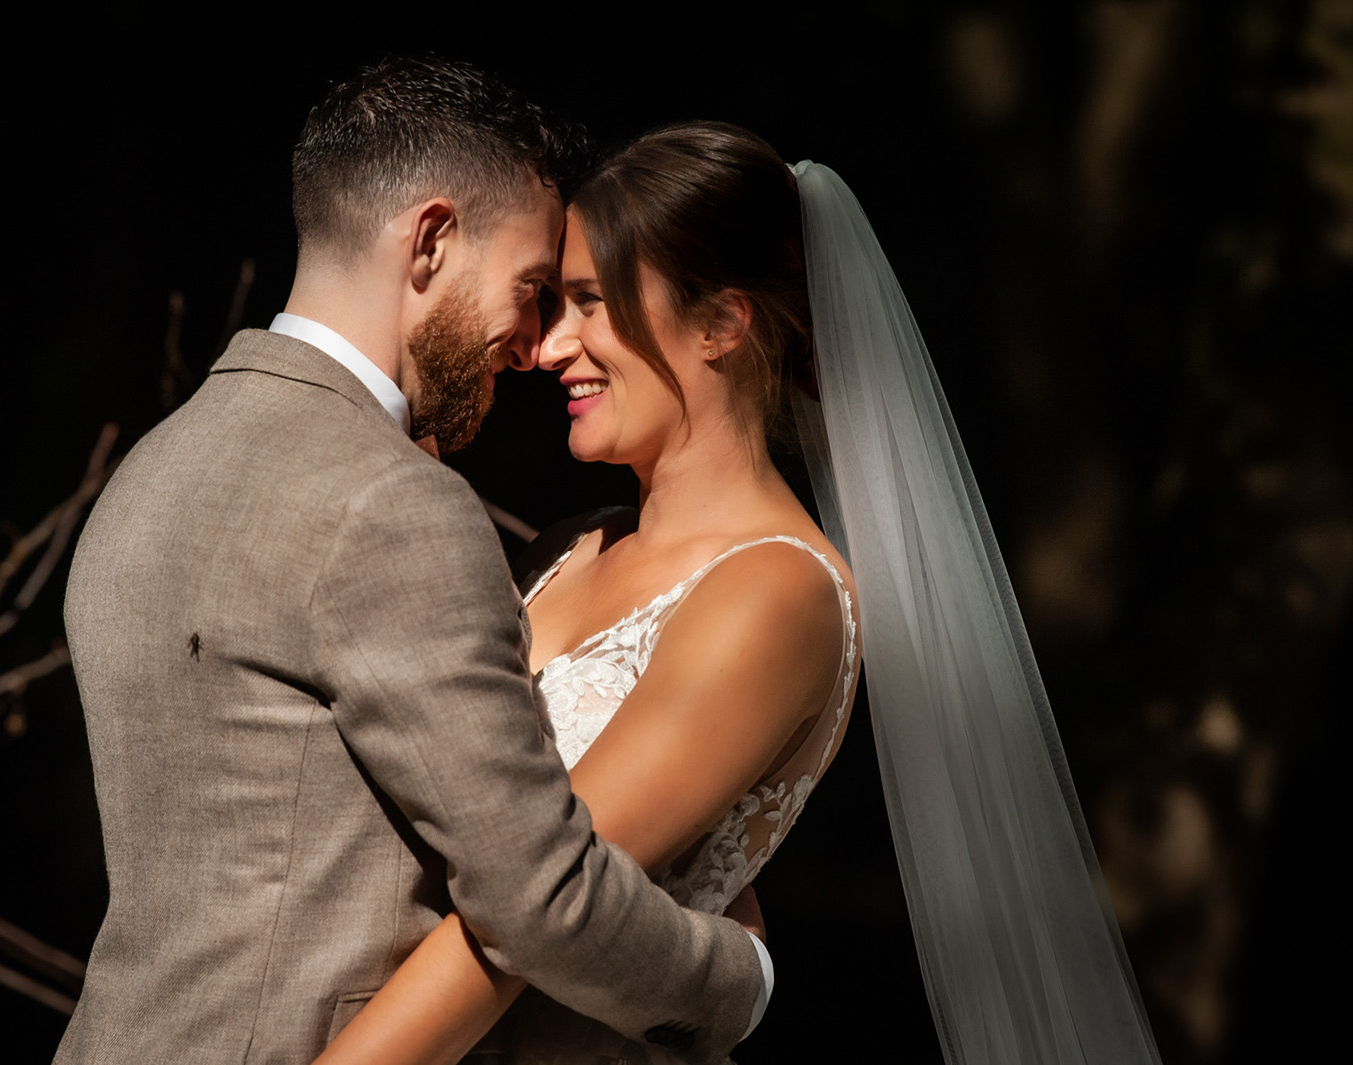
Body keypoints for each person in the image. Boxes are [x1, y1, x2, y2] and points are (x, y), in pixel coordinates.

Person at [319, 122, 1164, 1065]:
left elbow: (538, 903)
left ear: (722, 323)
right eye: (554, 302)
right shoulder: (569, 547)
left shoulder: (776, 594)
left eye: (591, 303)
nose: (550, 346)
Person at [53, 64, 769, 1065]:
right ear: (430, 241)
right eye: (529, 288)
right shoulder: (392, 504)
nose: (530, 347)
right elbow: (540, 896)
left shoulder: (152, 471)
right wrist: (735, 979)